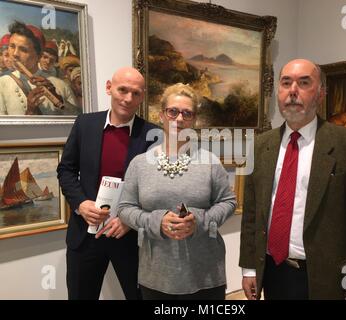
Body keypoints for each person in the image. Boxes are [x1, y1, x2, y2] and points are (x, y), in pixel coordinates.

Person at [239, 59, 346, 300]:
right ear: (278, 93)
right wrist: (250, 268)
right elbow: (252, 215)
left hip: (326, 279)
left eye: (304, 82)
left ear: (321, 93)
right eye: (286, 83)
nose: (293, 90)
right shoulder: (261, 145)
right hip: (273, 271)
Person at [117, 83, 236, 300]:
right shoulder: (140, 164)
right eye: (173, 111)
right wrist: (156, 221)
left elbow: (228, 202)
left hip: (205, 274)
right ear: (161, 115)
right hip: (156, 274)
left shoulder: (209, 162)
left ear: (194, 120)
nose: (179, 119)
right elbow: (125, 209)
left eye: (187, 113)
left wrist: (199, 221)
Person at [57, 66, 159, 300]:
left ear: (142, 97)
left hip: (131, 237)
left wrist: (130, 221)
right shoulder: (85, 124)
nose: (128, 98)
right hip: (86, 233)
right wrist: (80, 204)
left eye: (136, 93)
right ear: (109, 87)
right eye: (123, 90)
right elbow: (66, 170)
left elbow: (157, 188)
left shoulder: (154, 134)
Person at [0, 21, 78, 115]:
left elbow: (79, 119)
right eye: (12, 46)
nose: (15, 54)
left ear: (38, 55)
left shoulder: (60, 85)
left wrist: (59, 99)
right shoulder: (2, 84)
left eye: (23, 49)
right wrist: (30, 113)